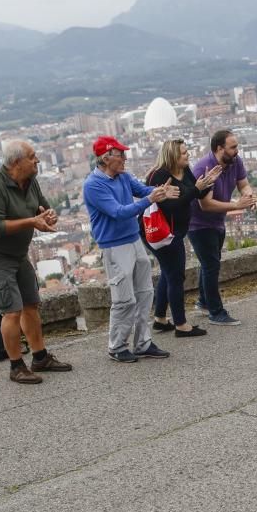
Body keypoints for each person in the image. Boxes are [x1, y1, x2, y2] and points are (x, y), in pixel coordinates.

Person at [83, 136, 179, 363]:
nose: (125, 158)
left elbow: (143, 189)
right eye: (121, 154)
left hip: (133, 239)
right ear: (106, 158)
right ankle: (117, 345)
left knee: (145, 293)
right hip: (115, 246)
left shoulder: (123, 177)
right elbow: (118, 211)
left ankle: (143, 342)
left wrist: (160, 191)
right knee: (124, 299)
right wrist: (150, 198)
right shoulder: (93, 185)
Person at [0, 140, 73, 383]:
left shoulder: (30, 180)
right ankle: (16, 366)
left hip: (19, 253)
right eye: (32, 156)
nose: (36, 160)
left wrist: (47, 215)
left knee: (30, 305)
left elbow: (41, 207)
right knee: (11, 311)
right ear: (16, 163)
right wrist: (31, 222)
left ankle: (40, 356)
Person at [144, 139, 218, 338]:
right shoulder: (159, 176)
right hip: (162, 233)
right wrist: (195, 189)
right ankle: (181, 324)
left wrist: (206, 183)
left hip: (176, 231)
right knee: (176, 276)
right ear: (173, 156)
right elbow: (170, 206)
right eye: (184, 153)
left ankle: (160, 318)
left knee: (169, 273)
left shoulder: (184, 170)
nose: (188, 155)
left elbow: (194, 193)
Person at [190, 129, 256, 326]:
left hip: (217, 221)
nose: (237, 150)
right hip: (198, 223)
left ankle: (203, 302)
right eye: (233, 147)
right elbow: (205, 204)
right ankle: (216, 312)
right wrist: (236, 205)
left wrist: (248, 196)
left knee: (209, 262)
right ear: (220, 148)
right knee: (211, 265)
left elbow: (244, 184)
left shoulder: (234, 161)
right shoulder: (204, 168)